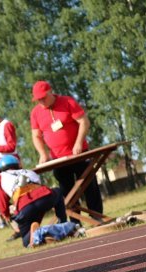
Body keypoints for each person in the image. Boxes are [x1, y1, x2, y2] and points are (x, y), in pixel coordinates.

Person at [30, 80, 103, 222]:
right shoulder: (35, 113)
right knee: (67, 190)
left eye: (43, 98)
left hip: (80, 153)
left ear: (50, 91)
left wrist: (78, 143)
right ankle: (75, 223)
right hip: (58, 159)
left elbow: (84, 121)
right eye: (38, 100)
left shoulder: (67, 101)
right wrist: (43, 154)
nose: (41, 102)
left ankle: (97, 216)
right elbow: (36, 136)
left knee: (89, 184)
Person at [0, 155, 68, 248]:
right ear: (17, 165)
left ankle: (39, 234)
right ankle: (62, 225)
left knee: (27, 243)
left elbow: (1, 200)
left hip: (24, 206)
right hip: (44, 198)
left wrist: (6, 214)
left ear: (0, 169)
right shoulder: (29, 171)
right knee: (58, 192)